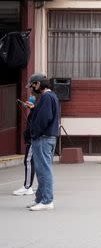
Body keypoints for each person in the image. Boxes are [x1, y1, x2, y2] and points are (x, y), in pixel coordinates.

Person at [25, 73, 60, 211]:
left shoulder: (46, 97)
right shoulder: (52, 96)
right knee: (42, 169)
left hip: (43, 138)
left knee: (44, 169)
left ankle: (46, 201)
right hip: (48, 137)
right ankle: (40, 199)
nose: (32, 89)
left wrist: (34, 133)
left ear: (38, 84)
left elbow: (44, 118)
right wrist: (34, 109)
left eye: (33, 86)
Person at [11, 94, 37, 196]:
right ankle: (28, 186)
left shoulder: (37, 109)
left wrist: (33, 108)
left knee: (28, 161)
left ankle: (27, 187)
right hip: (32, 138)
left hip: (33, 139)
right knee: (30, 161)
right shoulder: (34, 110)